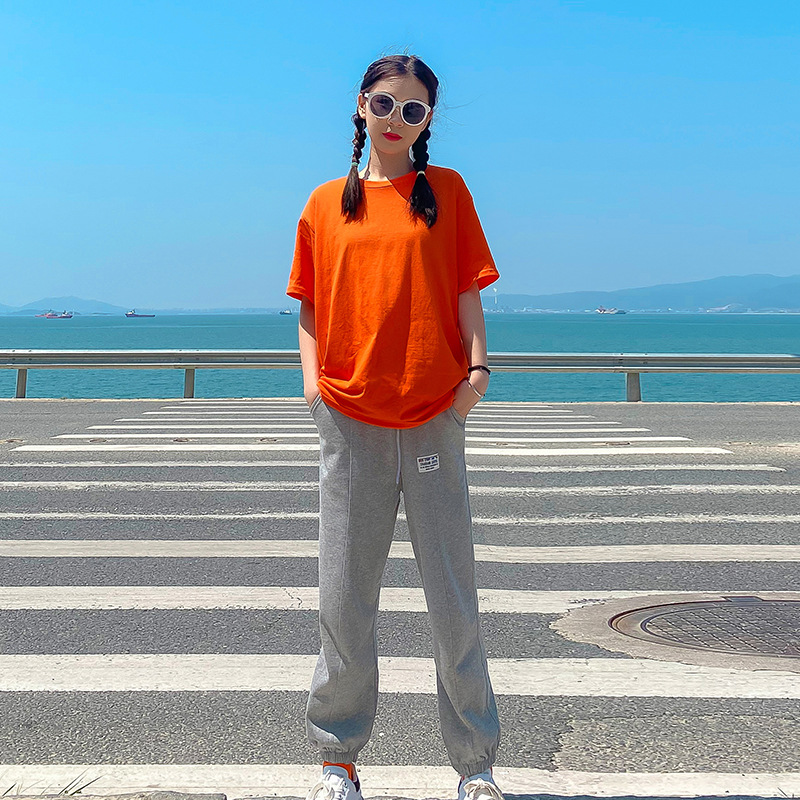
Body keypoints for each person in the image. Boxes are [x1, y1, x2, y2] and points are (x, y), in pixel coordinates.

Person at [286, 54, 503, 800]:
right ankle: (337, 760)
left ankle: (475, 765)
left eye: (413, 110)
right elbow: (310, 305)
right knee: (344, 600)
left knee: (453, 599)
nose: (396, 120)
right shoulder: (325, 204)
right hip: (350, 421)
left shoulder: (448, 192)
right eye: (385, 104)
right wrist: (314, 389)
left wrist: (476, 376)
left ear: (427, 120)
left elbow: (468, 290)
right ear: (361, 105)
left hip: (435, 413)